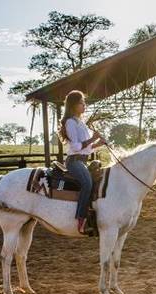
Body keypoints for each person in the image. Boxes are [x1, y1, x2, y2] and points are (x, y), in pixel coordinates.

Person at [59, 90, 106, 234]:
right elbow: (76, 146)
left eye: (84, 103)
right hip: (74, 162)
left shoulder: (81, 123)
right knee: (87, 183)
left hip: (82, 161)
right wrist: (93, 139)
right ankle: (81, 218)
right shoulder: (70, 122)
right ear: (73, 105)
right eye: (81, 103)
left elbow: (87, 149)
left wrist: (99, 143)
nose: (84, 106)